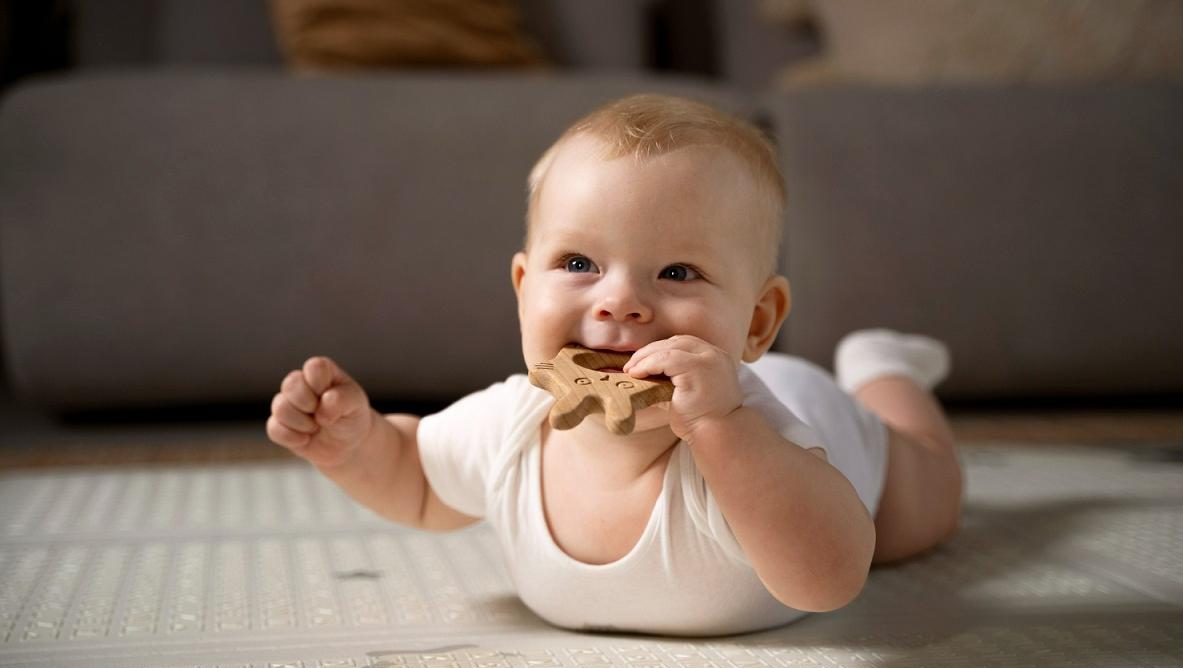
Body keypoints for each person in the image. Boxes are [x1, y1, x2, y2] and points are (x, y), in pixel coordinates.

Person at [266, 93, 962, 636]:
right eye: (578, 263)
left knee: (927, 504)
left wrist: (722, 427)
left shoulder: (761, 437)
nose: (621, 301)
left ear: (755, 323)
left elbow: (833, 576)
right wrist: (355, 445)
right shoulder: (513, 424)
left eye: (678, 271)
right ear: (522, 288)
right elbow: (417, 478)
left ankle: (881, 368)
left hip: (831, 428)